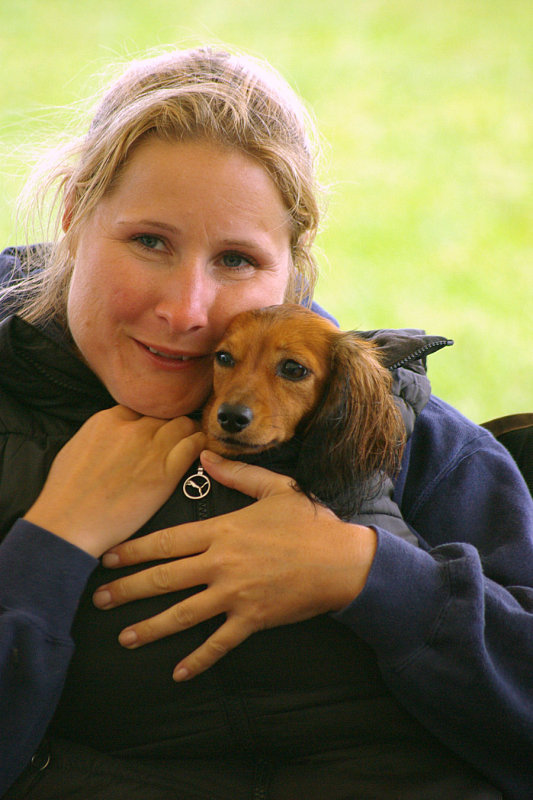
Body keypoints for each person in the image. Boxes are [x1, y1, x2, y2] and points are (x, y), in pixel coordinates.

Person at [0, 46, 531, 800]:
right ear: (74, 217)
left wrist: (369, 573)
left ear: (291, 267)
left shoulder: (400, 426)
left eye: (237, 260)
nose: (185, 309)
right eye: (149, 241)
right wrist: (51, 544)